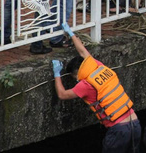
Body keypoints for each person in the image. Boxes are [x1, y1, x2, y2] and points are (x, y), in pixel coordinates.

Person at [52, 24, 141, 152]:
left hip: (119, 130)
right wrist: (71, 34)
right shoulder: (98, 66)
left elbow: (62, 94)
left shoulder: (85, 85)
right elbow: (83, 51)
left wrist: (56, 74)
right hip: (135, 123)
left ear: (76, 73)